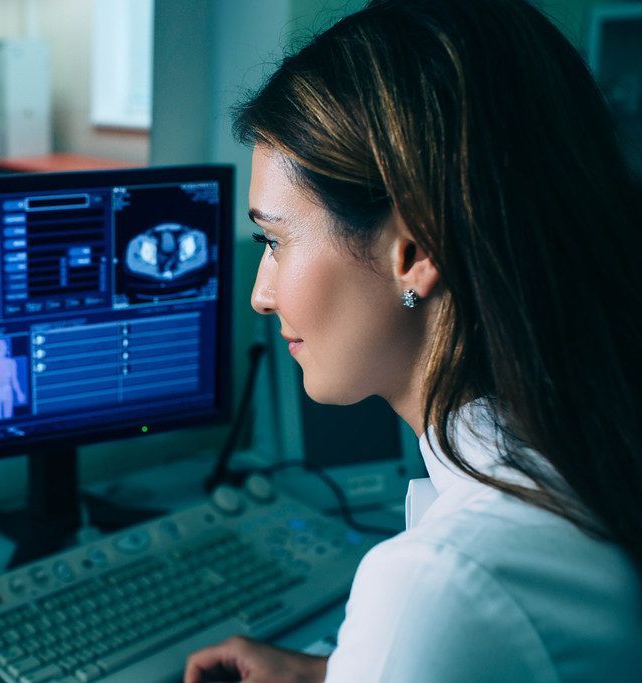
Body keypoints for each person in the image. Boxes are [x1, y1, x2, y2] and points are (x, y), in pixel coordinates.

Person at [185, 1, 642, 681]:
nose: (262, 292)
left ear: (414, 247)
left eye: (276, 241)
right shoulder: (583, 455)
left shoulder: (441, 584)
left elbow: (459, 609)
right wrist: (331, 672)